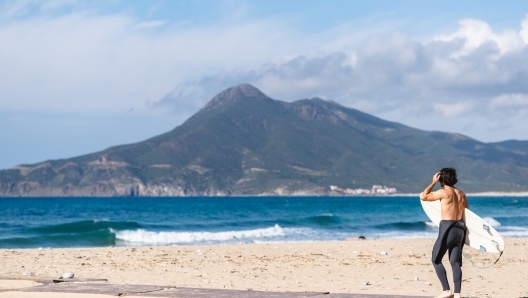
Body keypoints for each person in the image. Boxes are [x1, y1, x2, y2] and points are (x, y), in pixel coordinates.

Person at [420, 168, 468, 298]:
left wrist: (433, 182)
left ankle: (446, 290)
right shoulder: (461, 194)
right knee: (455, 262)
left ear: (441, 178)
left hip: (448, 228)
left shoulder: (443, 192)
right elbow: (467, 212)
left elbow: (424, 196)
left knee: (436, 259)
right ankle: (457, 294)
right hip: (460, 229)